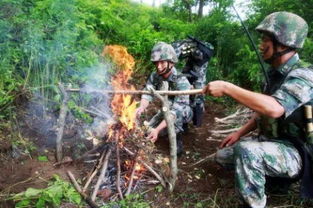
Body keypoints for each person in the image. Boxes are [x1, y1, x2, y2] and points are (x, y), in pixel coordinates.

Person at [203, 12, 313, 208]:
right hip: (272, 143)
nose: (261, 45)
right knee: (223, 156)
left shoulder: (304, 75)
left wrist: (227, 88)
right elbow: (262, 112)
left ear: (283, 43)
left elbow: (274, 109)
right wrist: (239, 132)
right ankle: (276, 182)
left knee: (247, 151)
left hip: (297, 152)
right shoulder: (274, 74)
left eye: (265, 40)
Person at [136, 42, 193, 155]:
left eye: (162, 62)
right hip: (166, 108)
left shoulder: (181, 81)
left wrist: (157, 130)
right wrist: (141, 107)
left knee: (173, 113)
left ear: (171, 63)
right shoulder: (155, 75)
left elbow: (176, 110)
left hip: (182, 111)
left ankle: (177, 136)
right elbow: (148, 93)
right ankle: (163, 128)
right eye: (156, 63)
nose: (158, 66)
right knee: (147, 130)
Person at [172, 37, 214, 127]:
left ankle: (197, 123)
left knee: (198, 95)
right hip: (193, 63)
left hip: (199, 66)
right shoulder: (185, 47)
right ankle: (185, 121)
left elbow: (176, 59)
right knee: (188, 88)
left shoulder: (196, 51)